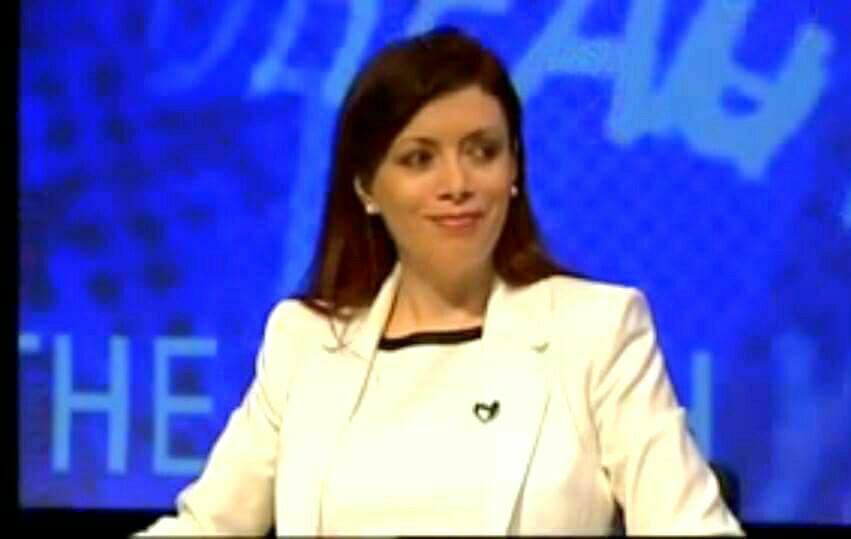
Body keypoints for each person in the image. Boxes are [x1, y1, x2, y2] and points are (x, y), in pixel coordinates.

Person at [137, 26, 744, 536]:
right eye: (419, 159)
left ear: (514, 169)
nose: (458, 184)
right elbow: (205, 528)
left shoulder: (596, 331)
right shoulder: (305, 342)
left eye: (482, 151)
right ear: (366, 187)